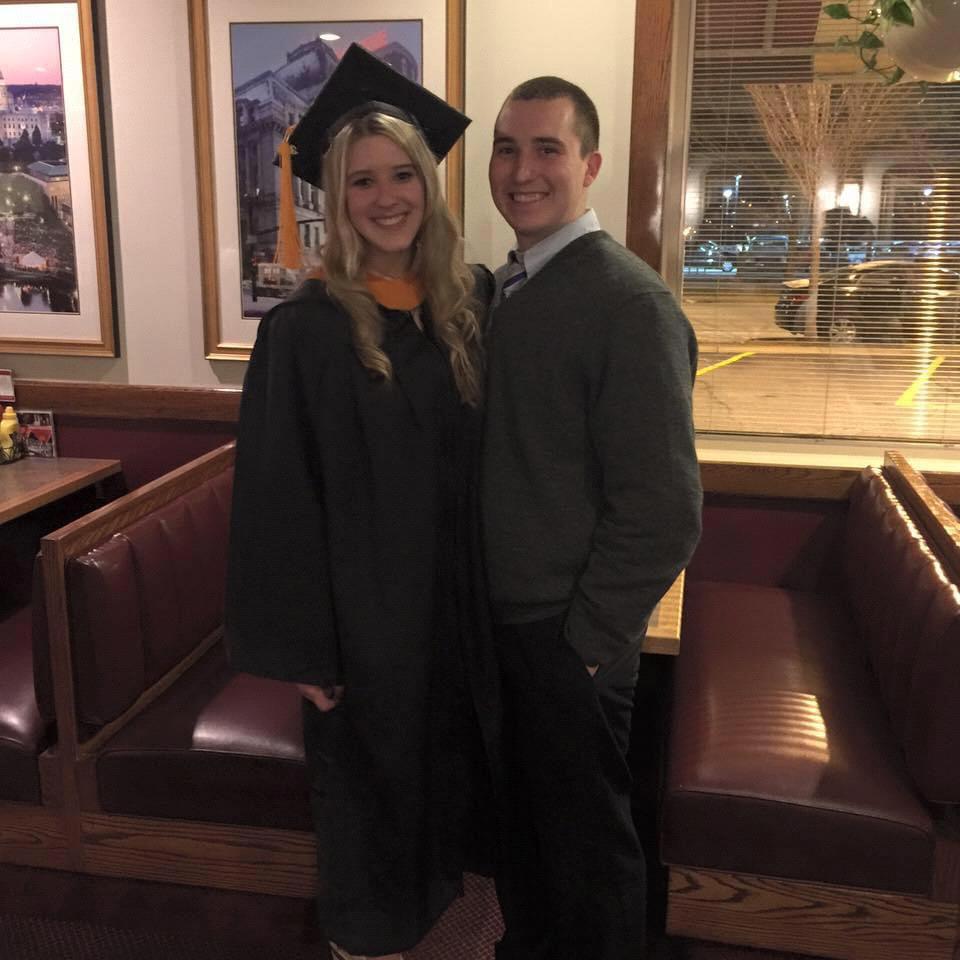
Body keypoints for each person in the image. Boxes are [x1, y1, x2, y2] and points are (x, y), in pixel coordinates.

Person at [226, 44, 496, 960]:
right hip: (362, 624)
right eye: (362, 181)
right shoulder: (304, 332)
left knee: (444, 787)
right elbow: (277, 498)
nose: (386, 198)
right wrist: (307, 649)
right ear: (335, 200)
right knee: (368, 803)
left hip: (455, 609)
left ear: (429, 183)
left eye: (401, 175)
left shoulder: (468, 306)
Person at [481, 76, 703, 960]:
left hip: (565, 634)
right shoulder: (509, 289)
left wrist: (585, 645)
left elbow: (664, 508)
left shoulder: (629, 304)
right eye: (506, 148)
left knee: (587, 863)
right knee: (526, 847)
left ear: (592, 165)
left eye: (548, 149)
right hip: (506, 624)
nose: (522, 170)